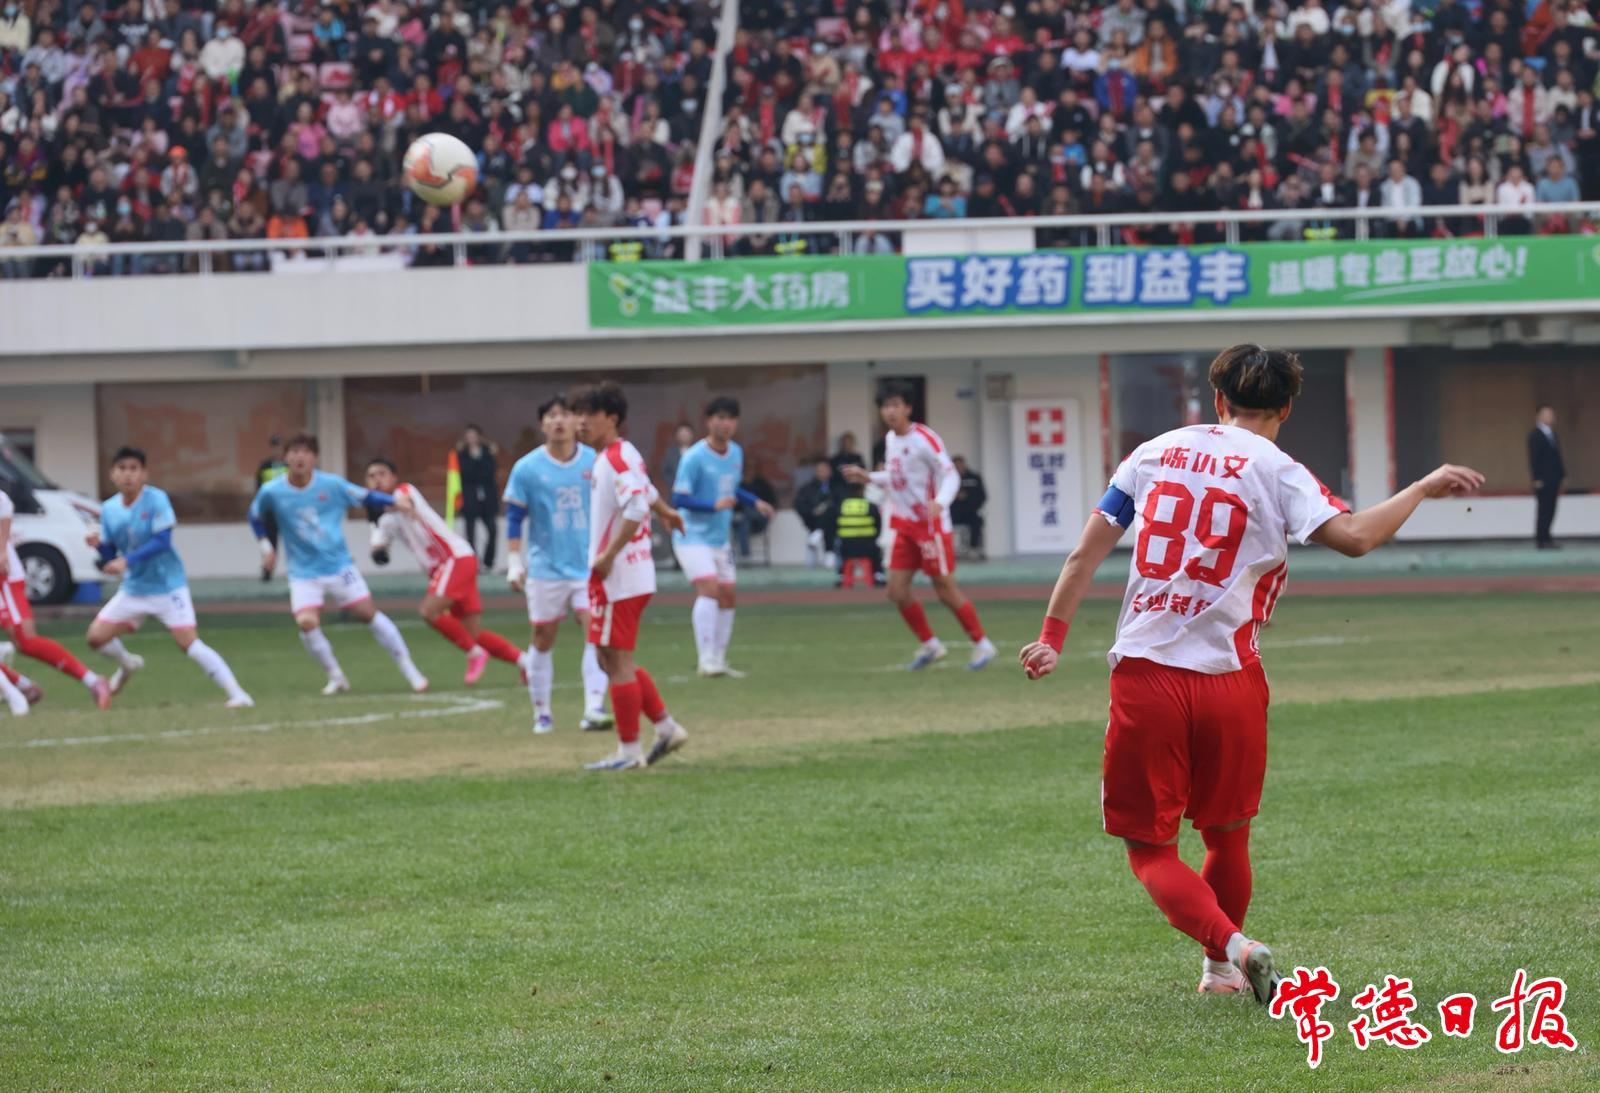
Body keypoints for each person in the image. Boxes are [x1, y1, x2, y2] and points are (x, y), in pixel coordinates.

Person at [1018, 344, 1483, 1004]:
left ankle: (1233, 948)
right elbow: (1354, 537)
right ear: (1287, 408)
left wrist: (1051, 638)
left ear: (1218, 400)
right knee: (1227, 835)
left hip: (1148, 677)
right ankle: (1220, 972)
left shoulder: (1153, 452)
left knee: (1149, 850)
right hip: (1232, 679)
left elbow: (1082, 556)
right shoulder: (1280, 469)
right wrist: (1422, 488)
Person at [247, 433, 428, 695]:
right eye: (294, 452)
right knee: (306, 622)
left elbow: (366, 496)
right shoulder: (272, 491)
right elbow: (254, 515)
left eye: (305, 451)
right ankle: (336, 676)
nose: (299, 457)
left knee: (368, 613)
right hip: (303, 572)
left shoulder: (331, 485)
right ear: (286, 457)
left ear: (314, 457)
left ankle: (411, 670)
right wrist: (266, 548)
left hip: (339, 566)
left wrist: (394, 501)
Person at [572, 381, 690, 771]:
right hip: (630, 575)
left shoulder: (614, 458)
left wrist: (607, 555)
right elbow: (646, 492)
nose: (581, 422)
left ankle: (629, 751)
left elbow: (636, 507)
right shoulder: (622, 454)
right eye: (577, 414)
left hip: (619, 577)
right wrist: (667, 511)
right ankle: (666, 728)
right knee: (609, 658)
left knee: (617, 661)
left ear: (612, 418)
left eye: (589, 414)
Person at [842, 384, 996, 671]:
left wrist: (941, 502)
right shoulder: (891, 439)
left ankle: (982, 644)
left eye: (896, 405)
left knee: (945, 590)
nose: (890, 411)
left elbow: (950, 475)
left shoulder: (925, 438)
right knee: (896, 591)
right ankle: (931, 645)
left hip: (930, 527)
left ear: (908, 408)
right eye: (885, 406)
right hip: (905, 525)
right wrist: (869, 477)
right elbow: (896, 476)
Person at [84, 447, 253, 707]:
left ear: (144, 474)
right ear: (112, 474)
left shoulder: (156, 499)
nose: (128, 475)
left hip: (167, 586)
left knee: (189, 643)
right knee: (95, 638)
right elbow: (110, 554)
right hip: (134, 588)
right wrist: (97, 545)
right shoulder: (109, 509)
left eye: (134, 469)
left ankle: (238, 695)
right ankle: (128, 664)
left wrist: (126, 561)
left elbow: (162, 540)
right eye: (122, 469)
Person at [502, 395, 614, 734]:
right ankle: (542, 713)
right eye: (551, 415)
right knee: (543, 637)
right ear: (542, 424)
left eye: (566, 414)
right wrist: (513, 561)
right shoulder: (527, 468)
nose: (559, 421)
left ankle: (594, 707)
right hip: (545, 568)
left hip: (588, 566)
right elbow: (515, 516)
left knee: (595, 633)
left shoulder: (595, 461)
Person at [364, 459, 524, 684]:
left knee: (428, 611)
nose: (377, 480)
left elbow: (404, 505)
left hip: (454, 559)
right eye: (371, 476)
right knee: (473, 632)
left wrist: (371, 502)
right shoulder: (384, 520)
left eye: (382, 474)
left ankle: (474, 654)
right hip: (448, 567)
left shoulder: (405, 491)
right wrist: (378, 551)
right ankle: (526, 662)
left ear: (394, 477)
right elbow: (378, 544)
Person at [671, 397, 774, 677]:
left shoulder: (736, 453)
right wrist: (712, 506)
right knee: (709, 589)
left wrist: (755, 501)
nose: (725, 424)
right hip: (691, 536)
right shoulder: (694, 457)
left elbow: (731, 487)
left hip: (719, 538)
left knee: (728, 596)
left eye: (730, 418)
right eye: (720, 418)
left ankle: (718, 659)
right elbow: (678, 497)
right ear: (708, 421)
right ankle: (705, 660)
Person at [0, 484, 113, 709]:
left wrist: (2, 549)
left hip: (5, 579)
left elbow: (4, 503)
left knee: (26, 640)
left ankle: (92, 681)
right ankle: (21, 687)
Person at [456, 425, 499, 568]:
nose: (471, 439)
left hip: (487, 497)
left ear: (479, 437)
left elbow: (490, 471)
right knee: (470, 532)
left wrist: (480, 459)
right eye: (468, 436)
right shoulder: (462, 454)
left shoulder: (487, 452)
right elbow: (465, 473)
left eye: (473, 435)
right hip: (470, 498)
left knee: (492, 530)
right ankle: (473, 562)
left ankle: (488, 561)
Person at [831, 481, 884, 586]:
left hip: (846, 547)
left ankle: (842, 576)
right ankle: (878, 575)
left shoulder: (840, 506)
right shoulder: (870, 506)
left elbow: (833, 525)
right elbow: (878, 525)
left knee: (839, 551)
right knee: (876, 553)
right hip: (867, 546)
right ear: (861, 491)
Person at [1528, 405, 1565, 549]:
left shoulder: (1552, 434)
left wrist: (1562, 473)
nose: (1550, 417)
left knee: (1551, 509)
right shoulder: (1535, 435)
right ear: (1539, 416)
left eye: (1551, 414)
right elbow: (1534, 459)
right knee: (1543, 510)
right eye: (1547, 414)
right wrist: (1536, 478)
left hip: (1554, 478)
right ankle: (1541, 539)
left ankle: (1548, 537)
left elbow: (1556, 457)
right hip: (1542, 480)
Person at [794, 457, 840, 568]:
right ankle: (829, 552)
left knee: (830, 511)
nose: (822, 473)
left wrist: (825, 508)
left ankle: (819, 531)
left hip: (835, 522)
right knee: (827, 522)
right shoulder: (807, 488)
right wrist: (813, 511)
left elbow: (841, 503)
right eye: (820, 470)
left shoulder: (837, 487)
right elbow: (799, 505)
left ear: (830, 471)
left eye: (825, 470)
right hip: (813, 521)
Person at [255, 436, 287, 582]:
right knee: (270, 542)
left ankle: (297, 570)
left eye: (279, 446)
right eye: (274, 446)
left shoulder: (288, 465)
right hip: (270, 511)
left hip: (287, 510)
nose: (276, 450)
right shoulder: (265, 466)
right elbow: (258, 487)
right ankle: (267, 571)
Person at [950, 456, 988, 559]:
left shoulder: (974, 478)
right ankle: (950, 550)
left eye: (960, 465)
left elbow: (982, 496)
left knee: (977, 521)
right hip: (954, 512)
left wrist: (967, 497)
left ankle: (974, 549)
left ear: (964, 465)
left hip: (970, 511)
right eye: (956, 465)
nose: (958, 467)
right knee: (943, 523)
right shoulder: (948, 478)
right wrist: (955, 496)